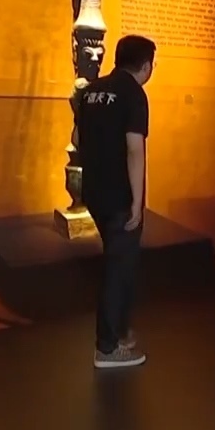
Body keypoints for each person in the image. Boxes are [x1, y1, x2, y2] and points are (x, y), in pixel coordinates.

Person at [76, 34, 156, 369]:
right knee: (118, 269)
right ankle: (107, 347)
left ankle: (121, 333)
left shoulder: (90, 92)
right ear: (146, 65)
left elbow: (76, 137)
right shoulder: (134, 94)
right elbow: (135, 150)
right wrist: (137, 201)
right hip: (120, 195)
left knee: (117, 262)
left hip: (95, 191)